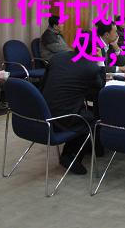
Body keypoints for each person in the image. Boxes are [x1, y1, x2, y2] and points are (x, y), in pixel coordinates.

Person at [42, 30, 106, 175]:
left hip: (42, 111)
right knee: (92, 119)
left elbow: (44, 84)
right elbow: (101, 87)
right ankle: (71, 156)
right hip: (61, 117)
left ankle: (75, 151)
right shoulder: (90, 67)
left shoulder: (57, 58)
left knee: (82, 112)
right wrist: (100, 61)